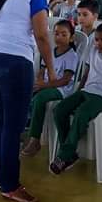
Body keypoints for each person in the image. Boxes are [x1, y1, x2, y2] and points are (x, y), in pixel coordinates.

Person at [0, 0, 57, 202]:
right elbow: (41, 35)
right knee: (13, 126)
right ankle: (10, 184)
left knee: (4, 120)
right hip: (14, 61)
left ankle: (2, 176)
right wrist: (51, 68)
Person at [50, 21, 102, 175]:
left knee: (82, 113)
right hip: (87, 90)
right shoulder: (93, 50)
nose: (99, 43)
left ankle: (64, 155)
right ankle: (69, 152)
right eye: (97, 39)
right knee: (59, 109)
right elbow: (86, 74)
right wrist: (77, 93)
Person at [21, 19, 79, 158]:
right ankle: (25, 129)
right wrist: (39, 81)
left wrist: (44, 85)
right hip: (47, 85)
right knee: (26, 93)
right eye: (56, 33)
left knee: (40, 98)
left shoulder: (72, 55)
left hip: (62, 89)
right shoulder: (51, 51)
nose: (59, 37)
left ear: (71, 37)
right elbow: (43, 68)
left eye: (63, 34)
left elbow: (65, 80)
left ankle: (35, 139)